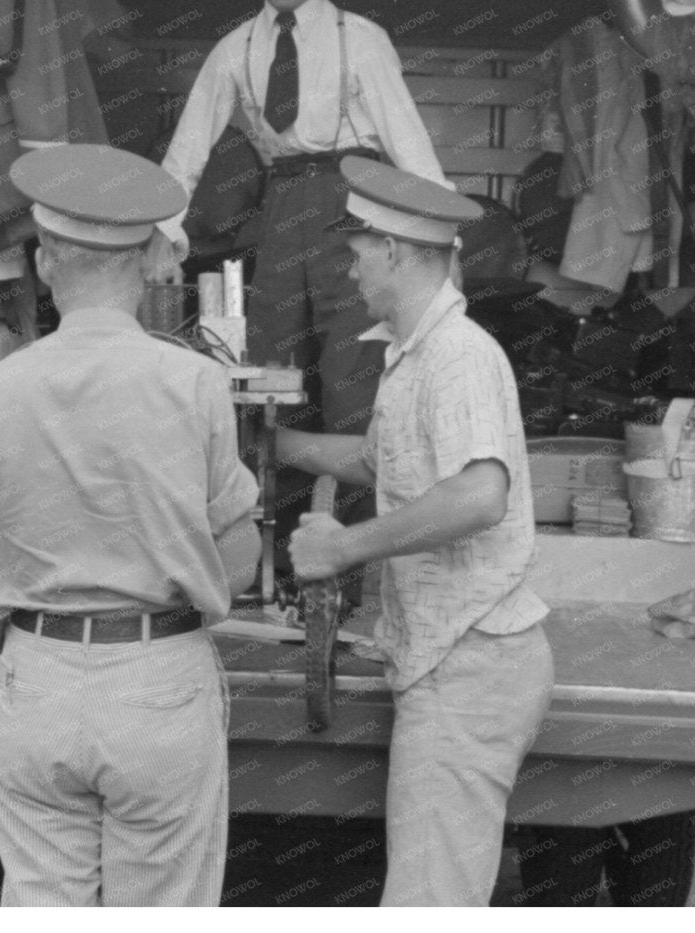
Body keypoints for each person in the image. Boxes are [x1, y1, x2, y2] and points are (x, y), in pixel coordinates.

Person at [0, 144, 260, 907]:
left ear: (45, 262)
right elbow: (239, 565)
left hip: (34, 682)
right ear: (153, 259)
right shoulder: (193, 382)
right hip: (155, 683)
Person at [146, 0, 447, 586]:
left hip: (355, 211)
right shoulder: (236, 48)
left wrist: (438, 251)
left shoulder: (360, 38)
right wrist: (162, 237)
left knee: (354, 389)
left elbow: (411, 146)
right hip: (281, 211)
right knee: (267, 385)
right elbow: (186, 152)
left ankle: (352, 573)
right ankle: (274, 570)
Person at [281, 156, 554, 907]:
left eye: (358, 248)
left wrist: (344, 546)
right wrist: (273, 442)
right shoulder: (416, 354)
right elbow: (383, 462)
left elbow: (477, 494)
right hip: (451, 654)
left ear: (395, 250)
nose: (350, 266)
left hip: (469, 663)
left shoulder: (459, 357)